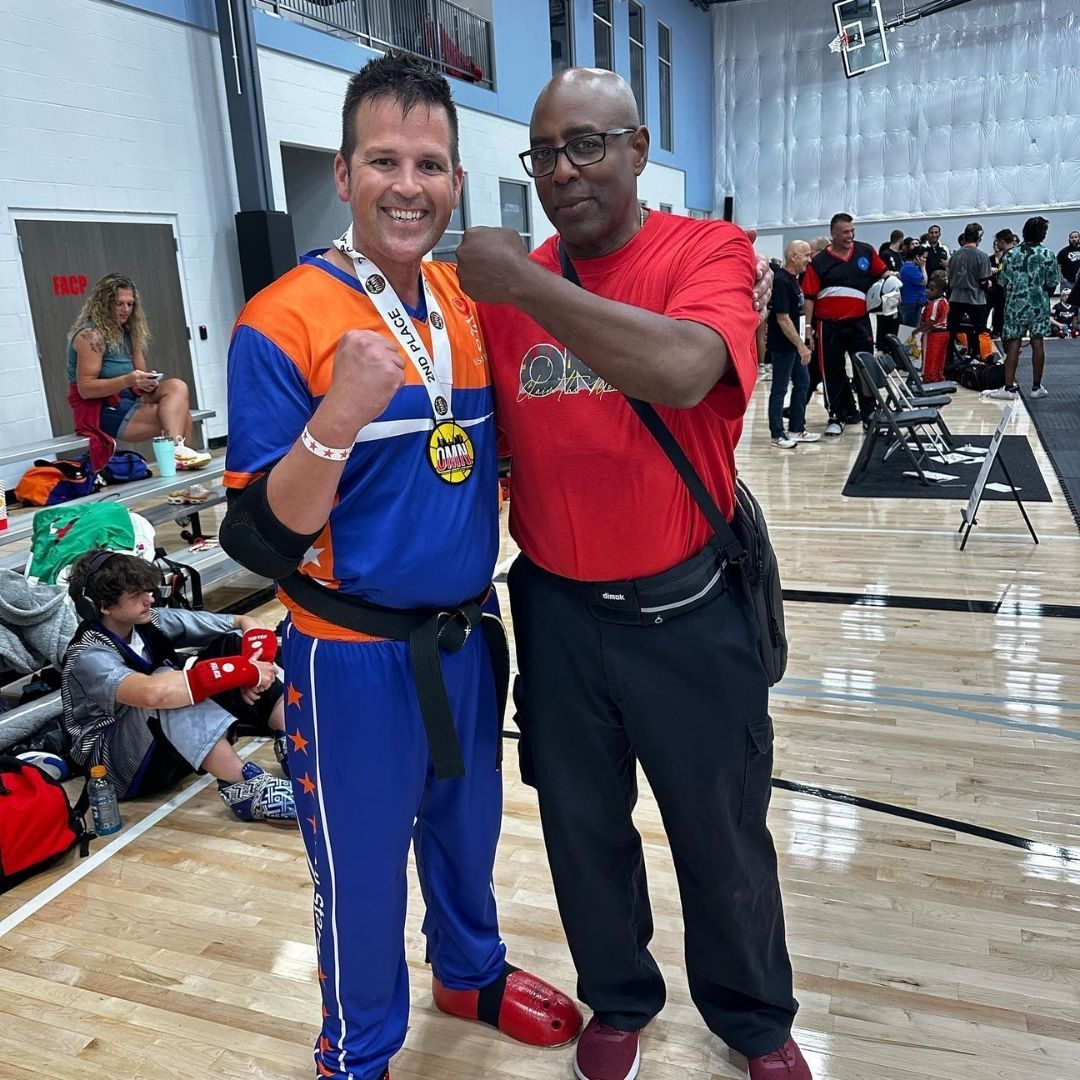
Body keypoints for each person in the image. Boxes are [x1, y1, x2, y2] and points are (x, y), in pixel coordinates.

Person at [218, 54, 581, 1080]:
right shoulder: (280, 320)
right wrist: (339, 415)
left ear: (457, 181)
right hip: (350, 659)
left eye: (429, 164)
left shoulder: (468, 305)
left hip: (465, 637)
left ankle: (468, 972)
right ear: (343, 173)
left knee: (468, 834)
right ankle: (358, 1052)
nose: (407, 185)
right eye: (383, 160)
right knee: (361, 871)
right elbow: (255, 543)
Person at [456, 67, 811, 1080]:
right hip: (558, 616)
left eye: (587, 145)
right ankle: (619, 997)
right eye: (545, 153)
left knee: (721, 837)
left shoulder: (706, 250)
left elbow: (686, 369)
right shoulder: (504, 295)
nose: (563, 171)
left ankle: (753, 1019)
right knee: (581, 834)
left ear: (639, 147)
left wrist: (526, 283)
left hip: (689, 613)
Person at [61, 549, 294, 821]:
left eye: (147, 591)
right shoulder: (87, 655)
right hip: (113, 767)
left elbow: (242, 622)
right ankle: (245, 789)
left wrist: (254, 657)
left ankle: (293, 743)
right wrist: (245, 672)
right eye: (136, 595)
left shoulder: (149, 620)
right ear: (104, 606)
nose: (150, 598)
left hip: (159, 743)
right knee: (166, 686)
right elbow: (152, 694)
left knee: (231, 645)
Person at [66, 274, 212, 473]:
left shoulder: (127, 331)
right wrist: (129, 380)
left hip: (130, 397)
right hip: (102, 407)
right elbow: (86, 389)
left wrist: (148, 381)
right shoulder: (90, 336)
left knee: (177, 386)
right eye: (119, 304)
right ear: (104, 304)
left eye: (130, 304)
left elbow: (139, 375)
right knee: (180, 416)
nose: (126, 309)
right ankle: (178, 459)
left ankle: (178, 454)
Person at [802, 212, 890, 436]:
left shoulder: (865, 251)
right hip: (828, 326)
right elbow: (809, 297)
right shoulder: (819, 262)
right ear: (833, 234)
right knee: (832, 372)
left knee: (865, 370)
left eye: (852, 231)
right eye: (845, 232)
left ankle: (870, 416)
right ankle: (836, 416)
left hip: (859, 324)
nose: (850, 235)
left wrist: (892, 282)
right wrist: (808, 329)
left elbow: (883, 273)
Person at [986, 215, 1059, 401]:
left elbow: (1002, 281)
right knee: (1037, 343)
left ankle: (1008, 388)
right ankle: (1036, 387)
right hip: (1038, 305)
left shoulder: (1010, 255)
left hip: (1015, 305)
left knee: (1013, 344)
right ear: (1042, 235)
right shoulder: (1048, 255)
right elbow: (1052, 283)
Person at [767, 241, 820, 448]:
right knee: (780, 388)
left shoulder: (794, 280)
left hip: (795, 344)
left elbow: (797, 313)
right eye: (806, 255)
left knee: (803, 382)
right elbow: (782, 318)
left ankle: (796, 428)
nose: (809, 259)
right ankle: (777, 434)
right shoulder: (781, 280)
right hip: (784, 346)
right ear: (793, 256)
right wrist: (800, 345)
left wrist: (806, 336)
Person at [945, 223, 991, 362]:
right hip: (975, 299)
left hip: (956, 298)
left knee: (951, 331)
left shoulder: (954, 256)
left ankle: (948, 359)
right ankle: (982, 358)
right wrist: (989, 284)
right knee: (980, 330)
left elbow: (950, 277)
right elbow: (983, 281)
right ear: (979, 238)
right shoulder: (982, 256)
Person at [916, 274, 950, 384]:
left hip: (933, 334)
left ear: (940, 292)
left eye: (931, 289)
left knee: (930, 356)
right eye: (928, 288)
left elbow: (930, 322)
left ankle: (929, 378)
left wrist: (917, 331)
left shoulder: (934, 304)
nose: (928, 291)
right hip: (944, 332)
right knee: (940, 356)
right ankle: (938, 376)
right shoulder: (945, 301)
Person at [875, 229, 904, 348]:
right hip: (887, 294)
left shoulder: (899, 255)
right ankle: (882, 346)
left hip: (897, 293)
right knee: (885, 320)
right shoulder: (885, 254)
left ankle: (892, 346)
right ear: (901, 240)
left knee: (895, 321)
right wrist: (893, 273)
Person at [987, 229, 1018, 338]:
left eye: (998, 242)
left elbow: (1003, 278)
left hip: (1005, 293)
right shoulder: (1017, 254)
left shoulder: (1007, 256)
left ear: (1002, 241)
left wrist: (994, 282)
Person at [1056, 229, 1080, 295]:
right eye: (1071, 238)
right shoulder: (1063, 252)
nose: (1073, 239)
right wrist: (1062, 278)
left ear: (1079, 238)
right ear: (1069, 239)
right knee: (1067, 301)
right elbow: (1057, 266)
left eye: (1076, 237)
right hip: (1068, 283)